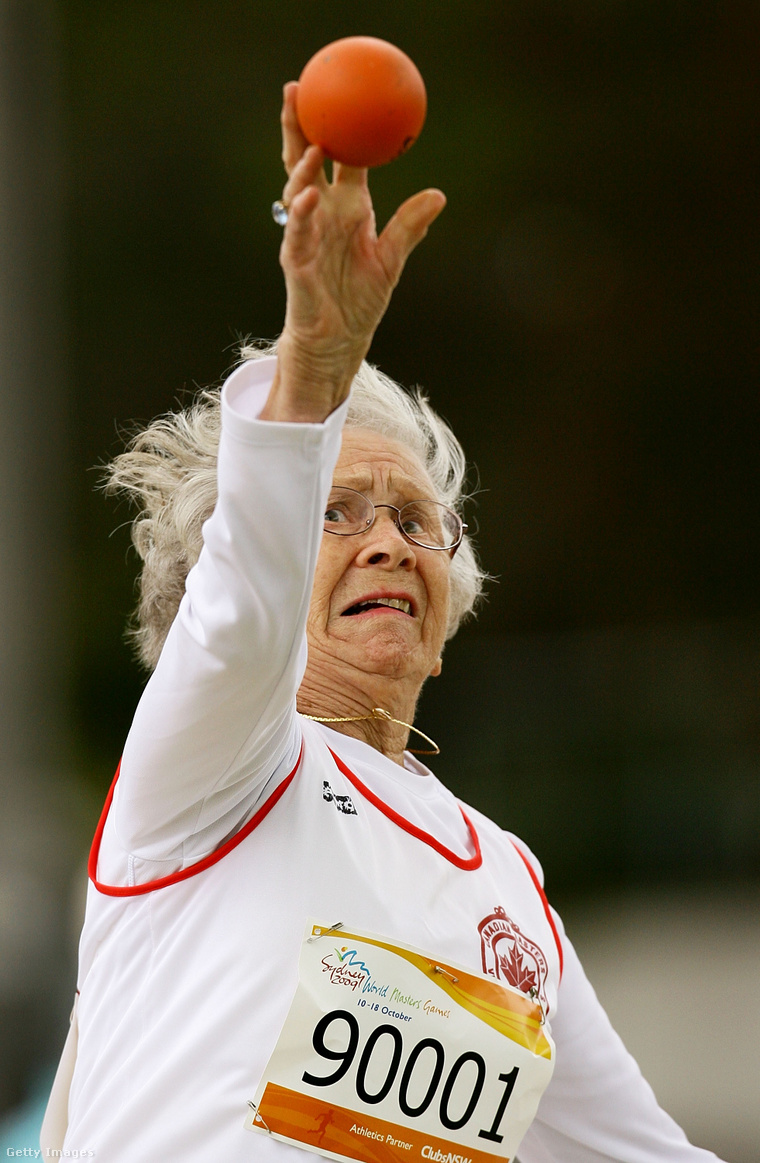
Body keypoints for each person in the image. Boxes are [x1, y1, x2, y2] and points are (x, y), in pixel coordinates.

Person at [43, 84, 727, 1162]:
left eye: (416, 520)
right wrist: (313, 365)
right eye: (335, 511)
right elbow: (244, 611)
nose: (389, 542)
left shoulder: (505, 877)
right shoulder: (218, 760)